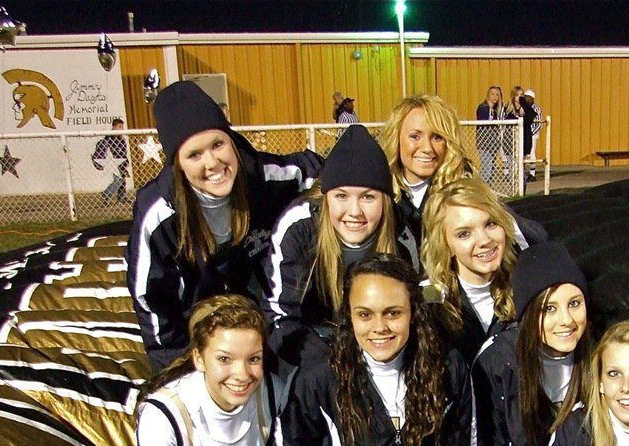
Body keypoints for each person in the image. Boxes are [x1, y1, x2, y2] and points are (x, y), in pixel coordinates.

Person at [127, 80, 323, 371]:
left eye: (218, 144)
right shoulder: (157, 213)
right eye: (194, 154)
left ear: (230, 140)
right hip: (201, 326)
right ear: (177, 164)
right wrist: (178, 373)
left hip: (260, 316)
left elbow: (326, 173)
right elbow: (152, 301)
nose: (213, 162)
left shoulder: (263, 177)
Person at [280, 253, 476, 446]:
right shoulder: (316, 381)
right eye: (365, 314)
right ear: (349, 316)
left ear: (413, 312)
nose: (379, 327)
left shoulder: (447, 369)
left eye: (393, 313)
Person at [262, 124, 417, 368]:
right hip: (314, 348)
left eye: (368, 197)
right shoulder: (299, 227)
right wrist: (329, 366)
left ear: (385, 201)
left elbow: (413, 310)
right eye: (341, 196)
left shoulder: (401, 235)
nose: (354, 212)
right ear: (326, 198)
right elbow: (279, 316)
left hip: (377, 343)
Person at [474, 241, 592, 446]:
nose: (566, 321)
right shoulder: (498, 364)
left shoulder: (600, 357)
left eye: (574, 304)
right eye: (549, 309)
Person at [135, 294, 288, 446]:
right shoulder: (162, 419)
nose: (242, 375)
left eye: (253, 359)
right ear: (199, 359)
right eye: (224, 359)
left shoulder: (274, 394)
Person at [421, 176, 545, 362]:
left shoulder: (528, 285)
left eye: (491, 224)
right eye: (464, 234)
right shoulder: (428, 296)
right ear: (446, 245)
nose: (485, 241)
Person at [378, 94, 477, 247]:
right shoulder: (379, 193)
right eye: (415, 136)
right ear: (396, 139)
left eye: (437, 137)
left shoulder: (464, 193)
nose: (427, 148)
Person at [92, 118, 130, 204]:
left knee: (122, 179)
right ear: (114, 127)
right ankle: (106, 194)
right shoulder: (109, 138)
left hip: (121, 161)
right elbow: (107, 151)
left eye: (122, 127)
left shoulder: (121, 139)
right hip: (113, 162)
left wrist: (126, 161)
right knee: (118, 180)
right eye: (119, 127)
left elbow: (124, 152)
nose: (121, 129)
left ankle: (122, 197)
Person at [475, 85, 507, 184]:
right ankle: (482, 188)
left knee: (492, 168)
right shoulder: (483, 108)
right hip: (485, 143)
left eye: (497, 95)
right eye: (492, 94)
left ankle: (487, 188)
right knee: (487, 167)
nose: (495, 97)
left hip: (493, 143)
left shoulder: (496, 110)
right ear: (488, 95)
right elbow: (485, 122)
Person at [519, 89, 543, 182]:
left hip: (533, 134)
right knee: (523, 153)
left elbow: (539, 124)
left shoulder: (536, 109)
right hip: (524, 133)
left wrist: (531, 132)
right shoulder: (522, 108)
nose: (527, 100)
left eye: (528, 98)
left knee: (531, 152)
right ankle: (522, 172)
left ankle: (532, 174)